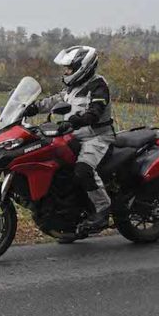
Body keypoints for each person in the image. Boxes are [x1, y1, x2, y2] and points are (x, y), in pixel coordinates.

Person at [21, 45, 115, 233]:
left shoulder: (98, 86)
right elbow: (55, 100)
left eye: (69, 68)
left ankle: (103, 210)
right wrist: (30, 108)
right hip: (74, 136)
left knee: (82, 169)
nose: (66, 72)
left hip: (97, 137)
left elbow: (94, 113)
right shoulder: (73, 87)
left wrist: (75, 122)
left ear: (84, 67)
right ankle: (65, 212)